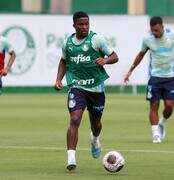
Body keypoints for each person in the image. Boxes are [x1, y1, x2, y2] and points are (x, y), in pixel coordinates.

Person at [54, 11, 119, 171]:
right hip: (77, 87)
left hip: (96, 88)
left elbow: (115, 56)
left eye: (86, 24)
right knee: (75, 119)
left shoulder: (97, 40)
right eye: (81, 24)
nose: (84, 27)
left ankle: (95, 139)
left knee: (96, 123)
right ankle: (71, 158)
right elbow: (63, 61)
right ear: (74, 25)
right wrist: (58, 79)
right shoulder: (67, 43)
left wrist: (105, 60)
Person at [124, 16, 174, 144]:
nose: (154, 33)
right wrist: (130, 70)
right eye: (152, 30)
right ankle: (155, 134)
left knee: (170, 106)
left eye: (156, 30)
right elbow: (140, 55)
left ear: (162, 27)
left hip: (170, 77)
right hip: (154, 78)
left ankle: (162, 123)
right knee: (154, 106)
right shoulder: (147, 39)